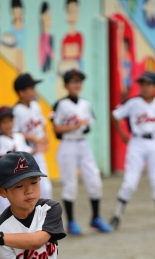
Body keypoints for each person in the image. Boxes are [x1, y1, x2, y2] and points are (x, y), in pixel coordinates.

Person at [109, 71, 155, 231]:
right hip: (137, 142)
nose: (145, 88)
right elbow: (115, 115)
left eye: (148, 84)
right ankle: (116, 216)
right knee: (130, 182)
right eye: (142, 84)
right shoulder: (133, 103)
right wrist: (122, 134)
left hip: (154, 142)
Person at [52, 69, 111, 235]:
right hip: (67, 144)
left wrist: (81, 127)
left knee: (95, 180)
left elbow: (87, 127)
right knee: (70, 184)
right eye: (72, 81)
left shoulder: (85, 104)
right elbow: (56, 129)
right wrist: (74, 126)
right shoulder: (61, 104)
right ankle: (71, 222)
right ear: (65, 85)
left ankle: (96, 218)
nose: (76, 84)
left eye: (79, 81)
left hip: (82, 144)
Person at [0, 105, 46, 216]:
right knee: (3, 206)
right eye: (4, 122)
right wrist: (10, 153)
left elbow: (26, 151)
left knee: (20, 203)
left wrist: (35, 149)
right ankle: (2, 230)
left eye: (10, 121)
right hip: (3, 178)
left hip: (19, 176)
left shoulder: (19, 135)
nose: (8, 125)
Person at [12, 73, 52, 200]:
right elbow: (14, 133)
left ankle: (44, 218)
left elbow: (43, 124)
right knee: (29, 190)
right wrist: (32, 137)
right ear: (21, 92)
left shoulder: (36, 105)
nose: (34, 91)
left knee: (46, 189)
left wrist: (46, 136)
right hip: (25, 155)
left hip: (38, 153)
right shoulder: (16, 110)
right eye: (30, 89)